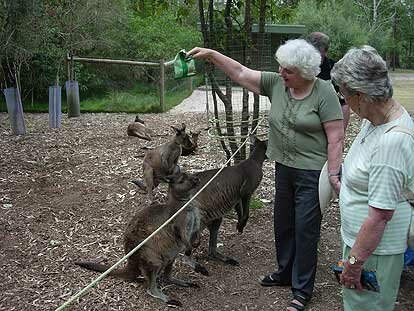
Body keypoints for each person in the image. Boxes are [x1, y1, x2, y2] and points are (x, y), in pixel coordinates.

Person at [188, 39, 344, 311]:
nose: (281, 73)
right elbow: (239, 72)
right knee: (283, 225)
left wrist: (333, 173)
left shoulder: (324, 92)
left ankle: (302, 289)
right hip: (283, 168)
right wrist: (212, 55)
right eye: (280, 67)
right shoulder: (276, 84)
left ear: (306, 71)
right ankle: (285, 273)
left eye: (288, 70)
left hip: (312, 173)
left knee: (305, 230)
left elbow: (336, 136)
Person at [331, 46, 414, 311]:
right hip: (364, 244)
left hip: (374, 253)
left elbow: (379, 216)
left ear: (361, 96)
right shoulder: (375, 119)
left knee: (366, 307)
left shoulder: (392, 141)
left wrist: (354, 266)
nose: (343, 102)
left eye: (343, 96)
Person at [307, 31, 351, 130]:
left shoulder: (336, 70)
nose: (314, 58)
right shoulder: (298, 68)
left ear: (326, 51)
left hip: (329, 122)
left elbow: (344, 104)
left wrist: (341, 132)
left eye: (318, 54)